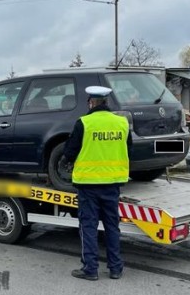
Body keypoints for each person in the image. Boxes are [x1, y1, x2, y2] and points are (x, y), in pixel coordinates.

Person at [61, 86, 132, 281]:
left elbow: (69, 152)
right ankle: (116, 268)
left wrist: (64, 163)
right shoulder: (122, 123)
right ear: (106, 102)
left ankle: (90, 269)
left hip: (89, 184)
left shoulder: (84, 123)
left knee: (89, 226)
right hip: (113, 183)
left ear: (91, 103)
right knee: (112, 226)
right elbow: (129, 148)